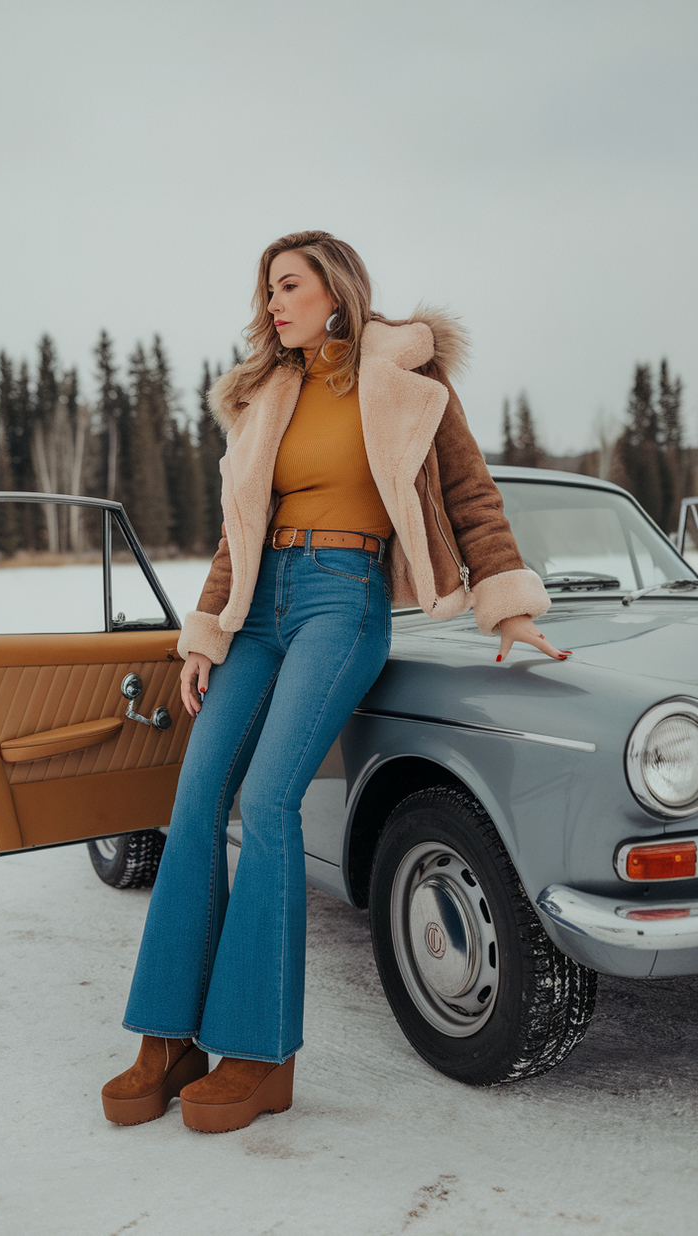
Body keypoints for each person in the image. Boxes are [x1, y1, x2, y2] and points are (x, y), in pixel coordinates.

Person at [101, 230, 567, 1134]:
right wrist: (204, 631)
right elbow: (239, 529)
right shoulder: (266, 392)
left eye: (288, 285)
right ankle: (167, 1038)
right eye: (266, 290)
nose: (272, 303)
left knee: (270, 804)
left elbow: (470, 494)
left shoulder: (405, 378)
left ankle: (258, 1056)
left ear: (336, 291)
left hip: (341, 601)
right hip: (260, 602)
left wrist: (509, 607)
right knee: (195, 802)